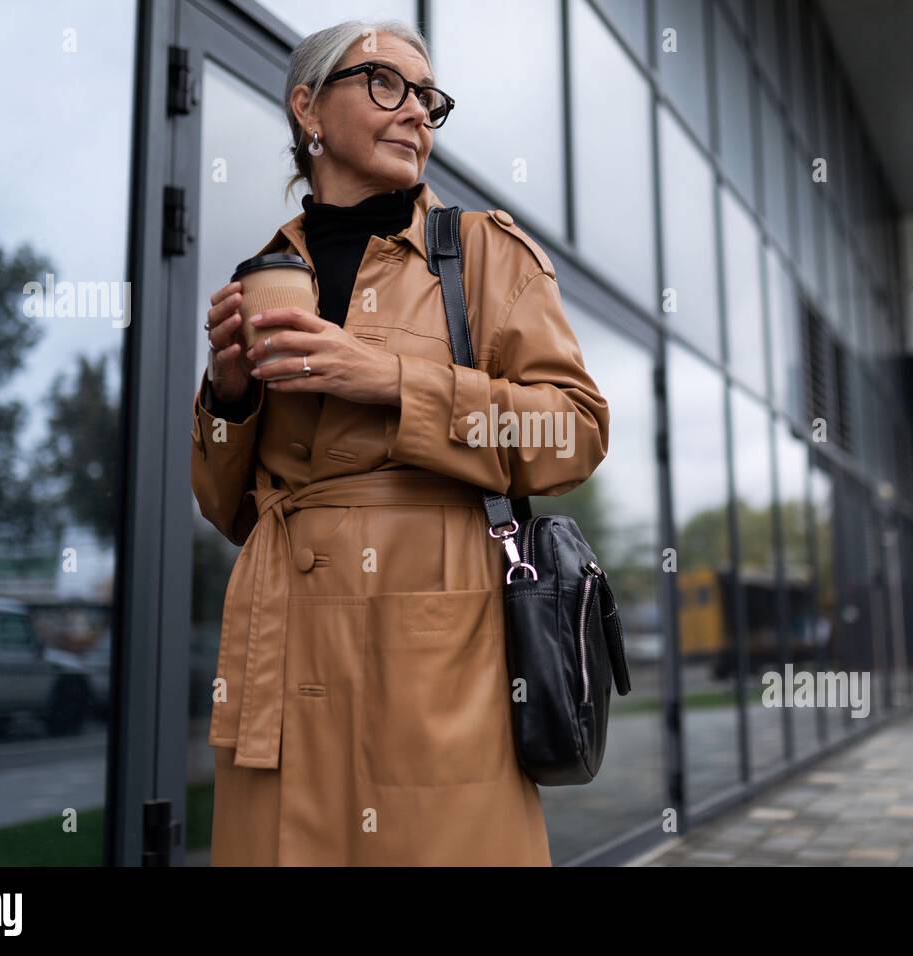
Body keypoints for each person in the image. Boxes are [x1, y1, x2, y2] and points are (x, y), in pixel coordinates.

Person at [191, 18, 610, 865]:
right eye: (387, 84)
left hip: (434, 644)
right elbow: (226, 509)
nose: (417, 111)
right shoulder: (264, 271)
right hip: (278, 648)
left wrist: (390, 381)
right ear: (308, 107)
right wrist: (228, 397)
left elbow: (573, 430)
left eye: (428, 97)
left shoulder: (484, 254)